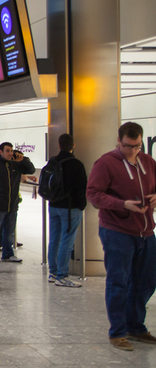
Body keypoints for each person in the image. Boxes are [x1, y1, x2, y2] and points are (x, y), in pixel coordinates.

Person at [87, 122, 156, 352]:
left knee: (147, 280)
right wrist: (122, 204)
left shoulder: (148, 162)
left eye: (137, 146)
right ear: (119, 141)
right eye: (128, 146)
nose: (133, 151)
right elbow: (93, 194)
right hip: (117, 232)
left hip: (146, 232)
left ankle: (135, 326)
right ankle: (117, 331)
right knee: (119, 282)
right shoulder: (106, 163)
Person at [46, 133, 87, 288]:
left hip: (53, 205)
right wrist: (82, 205)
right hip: (70, 208)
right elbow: (81, 188)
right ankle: (62, 276)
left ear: (59, 145)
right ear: (73, 146)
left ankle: (53, 272)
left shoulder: (52, 161)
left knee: (54, 238)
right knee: (67, 240)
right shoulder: (77, 164)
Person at [0, 142, 35, 262]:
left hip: (12, 204)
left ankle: (8, 253)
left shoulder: (15, 165)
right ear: (1, 152)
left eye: (11, 150)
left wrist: (22, 160)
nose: (10, 153)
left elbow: (31, 170)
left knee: (10, 231)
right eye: (7, 150)